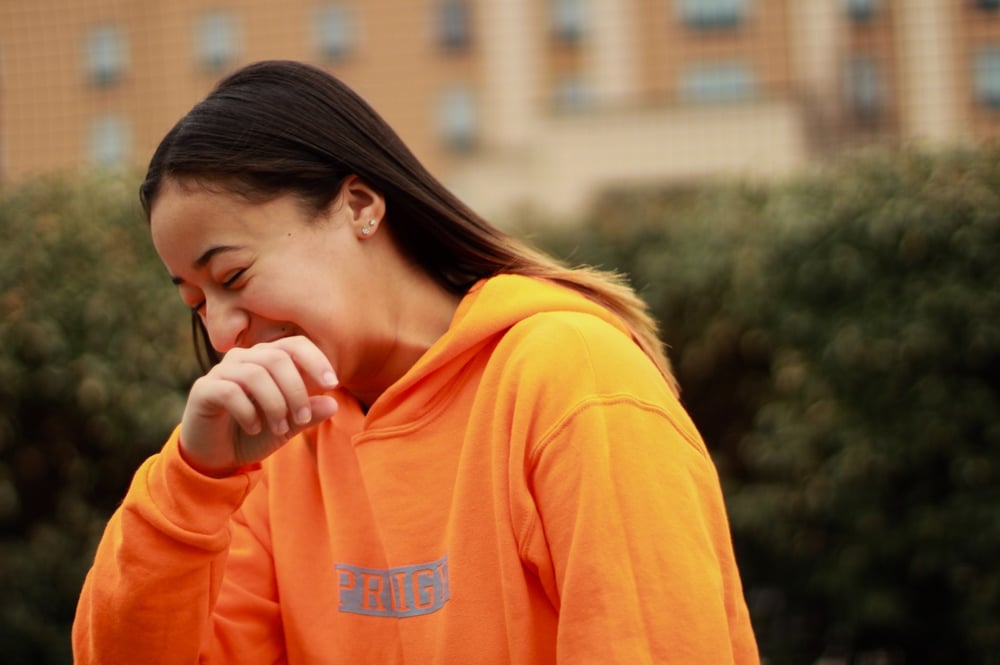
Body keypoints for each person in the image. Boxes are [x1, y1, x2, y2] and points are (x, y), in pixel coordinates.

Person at [72, 59, 759, 664]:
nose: (221, 332)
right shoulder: (271, 452)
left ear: (360, 206)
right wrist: (196, 480)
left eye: (234, 275)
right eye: (195, 301)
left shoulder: (574, 380)